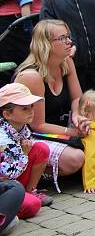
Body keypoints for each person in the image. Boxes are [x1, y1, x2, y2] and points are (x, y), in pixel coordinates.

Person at [14, 20, 88, 186]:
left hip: (57, 129)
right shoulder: (32, 76)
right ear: (45, 44)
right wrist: (72, 132)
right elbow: (37, 125)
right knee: (76, 159)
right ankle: (35, 175)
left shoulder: (66, 62)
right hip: (26, 137)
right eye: (62, 38)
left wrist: (77, 116)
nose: (69, 42)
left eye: (68, 37)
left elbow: (78, 98)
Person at [0, 83, 53, 215]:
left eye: (31, 106)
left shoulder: (22, 127)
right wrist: (24, 153)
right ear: (7, 114)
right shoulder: (3, 139)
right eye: (24, 108)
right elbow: (8, 174)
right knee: (33, 205)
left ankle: (30, 191)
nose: (31, 111)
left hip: (16, 180)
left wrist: (25, 153)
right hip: (5, 186)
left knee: (41, 148)